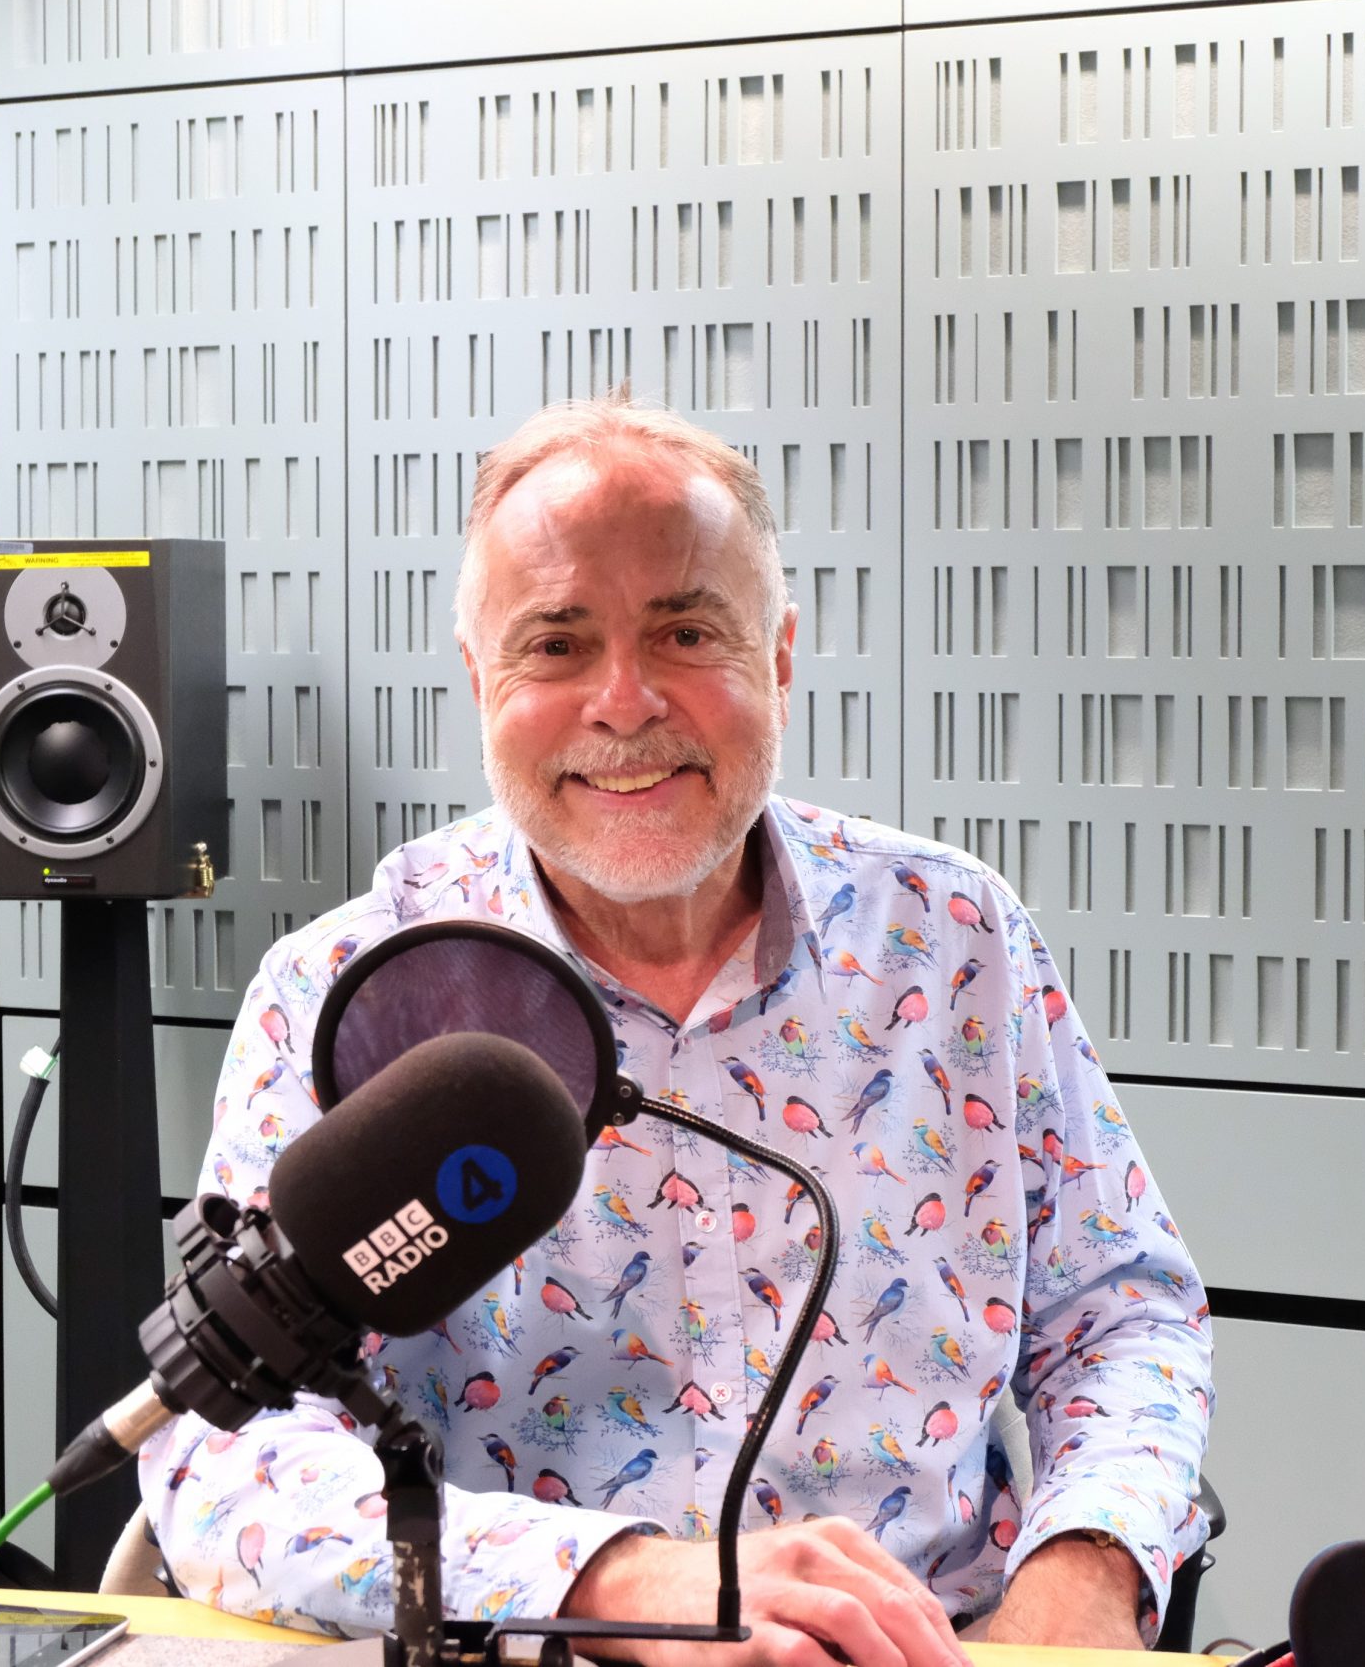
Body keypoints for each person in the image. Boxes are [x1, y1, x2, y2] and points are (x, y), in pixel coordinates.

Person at [143, 395, 1212, 1663]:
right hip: (538, 1648)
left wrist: (1083, 1569)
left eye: (686, 629)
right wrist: (623, 1585)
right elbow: (226, 1453)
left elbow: (1123, 1313)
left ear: (780, 655)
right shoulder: (348, 990)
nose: (626, 701)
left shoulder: (954, 934)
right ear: (479, 678)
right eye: (554, 644)